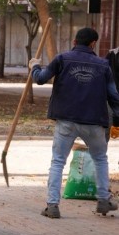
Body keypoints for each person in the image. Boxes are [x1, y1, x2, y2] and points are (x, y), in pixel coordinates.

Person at [30, 27, 119, 217]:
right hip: (94, 121)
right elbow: (114, 97)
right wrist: (117, 119)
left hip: (66, 120)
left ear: (74, 42)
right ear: (93, 44)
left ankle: (53, 206)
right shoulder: (103, 65)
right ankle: (103, 200)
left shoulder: (62, 59)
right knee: (100, 159)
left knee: (58, 162)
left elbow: (40, 79)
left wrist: (35, 66)